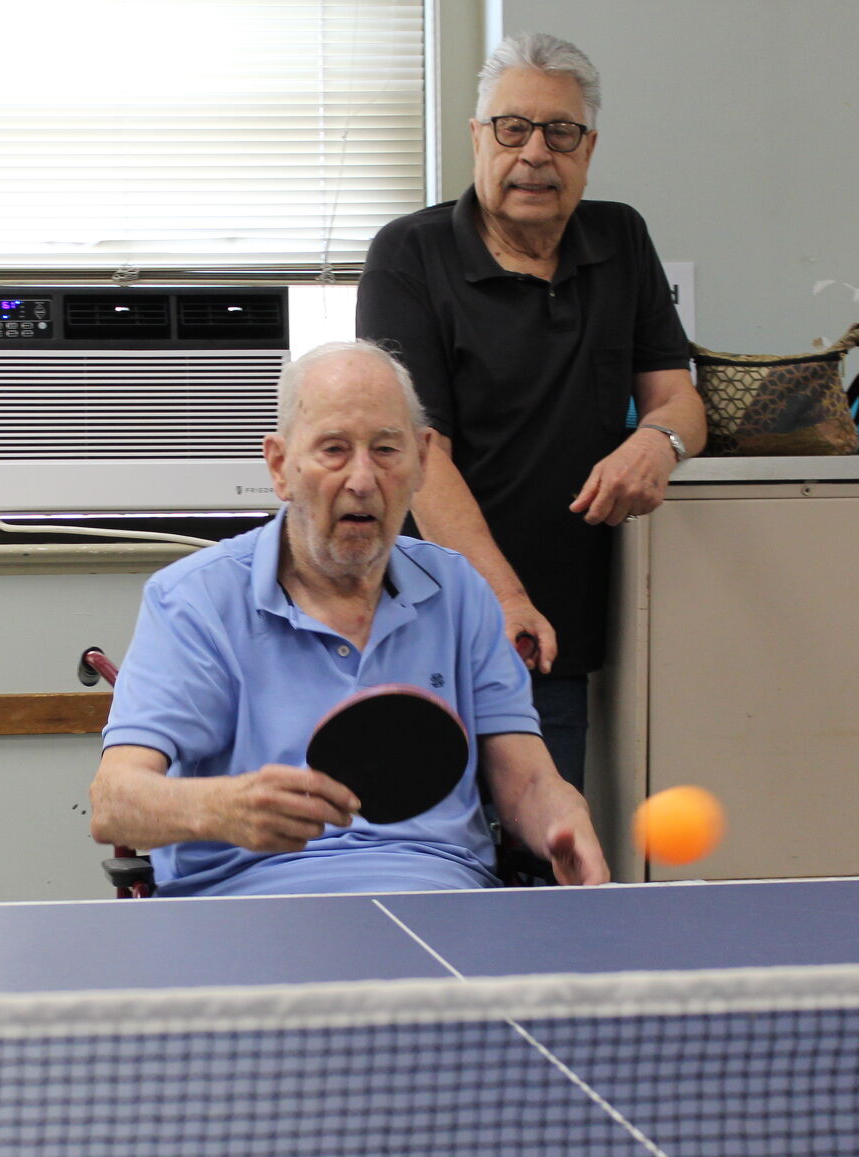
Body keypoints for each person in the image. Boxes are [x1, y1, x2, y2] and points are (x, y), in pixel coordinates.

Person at [89, 340, 609, 898]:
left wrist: (564, 818)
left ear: (422, 460)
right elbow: (114, 804)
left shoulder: (462, 593)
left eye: (386, 450)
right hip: (249, 906)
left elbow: (529, 780)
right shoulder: (193, 600)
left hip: (440, 898)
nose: (362, 479)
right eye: (334, 450)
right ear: (280, 467)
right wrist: (220, 808)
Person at [356, 32, 705, 788]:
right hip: (431, 625)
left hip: (563, 637)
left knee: (546, 870)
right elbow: (419, 455)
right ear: (478, 137)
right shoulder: (408, 256)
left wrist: (659, 442)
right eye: (512, 128)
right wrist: (505, 599)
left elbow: (678, 399)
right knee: (429, 859)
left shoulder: (621, 239)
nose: (535, 152)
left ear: (588, 148)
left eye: (561, 131)